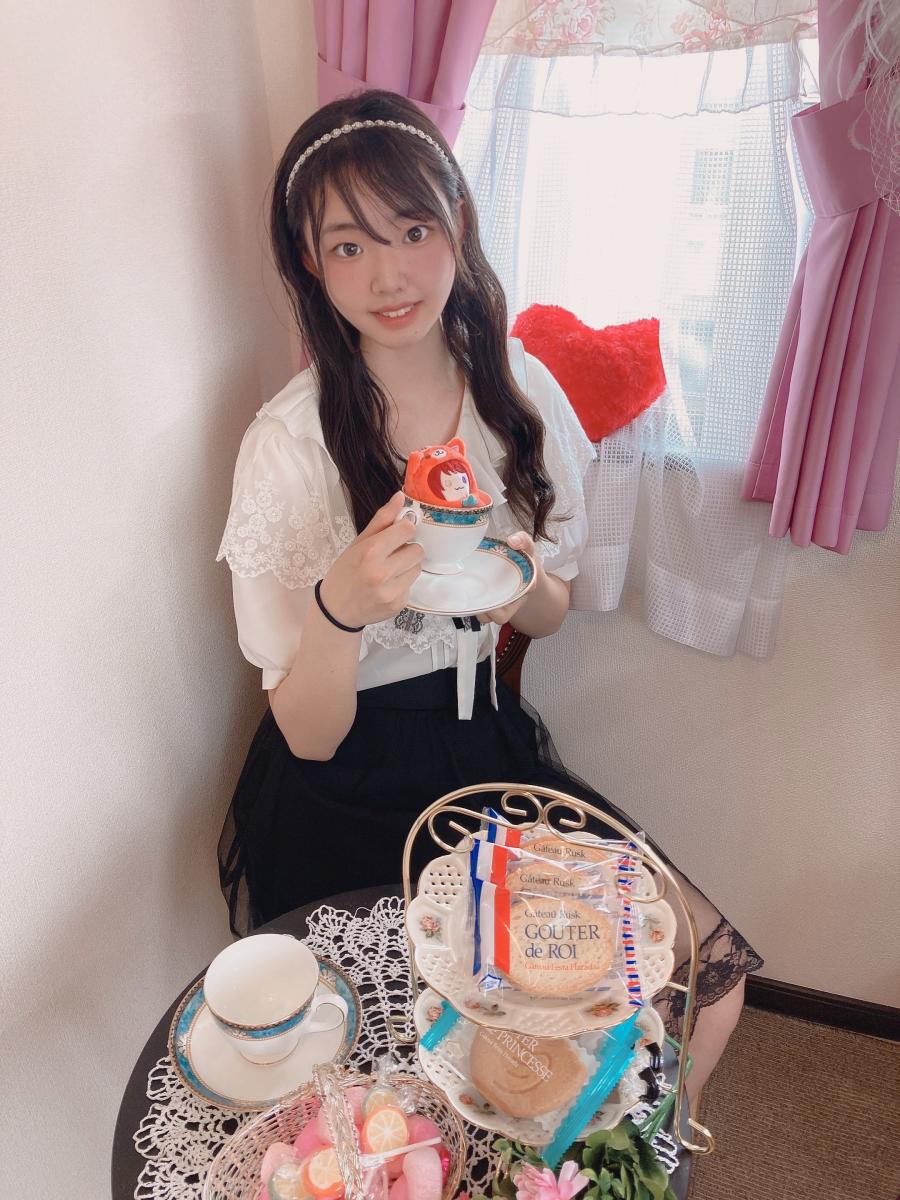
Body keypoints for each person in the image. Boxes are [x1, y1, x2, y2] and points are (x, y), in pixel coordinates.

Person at [216, 89, 762, 1095]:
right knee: (423, 1075)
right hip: (341, 783)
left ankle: (629, 1151)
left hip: (482, 745)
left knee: (703, 974)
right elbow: (309, 735)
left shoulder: (518, 394)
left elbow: (552, 608)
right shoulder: (289, 446)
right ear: (310, 264)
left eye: (413, 230)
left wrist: (514, 580)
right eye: (348, 246)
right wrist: (341, 607)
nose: (389, 275)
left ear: (457, 224)